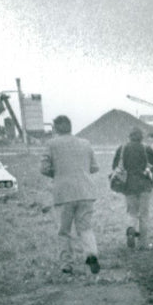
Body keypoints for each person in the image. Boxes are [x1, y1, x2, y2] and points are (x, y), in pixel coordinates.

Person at [40, 114, 100, 274]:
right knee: (85, 228)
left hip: (64, 193)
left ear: (56, 129)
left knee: (64, 231)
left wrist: (58, 174)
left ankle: (67, 264)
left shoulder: (51, 144)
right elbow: (95, 167)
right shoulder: (85, 143)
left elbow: (44, 168)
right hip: (86, 192)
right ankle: (91, 254)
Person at [112, 126, 153, 249]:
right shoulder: (146, 148)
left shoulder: (122, 148)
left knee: (132, 212)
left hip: (128, 185)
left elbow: (114, 166)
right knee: (144, 215)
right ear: (141, 137)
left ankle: (131, 229)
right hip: (144, 184)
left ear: (129, 136)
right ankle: (143, 244)